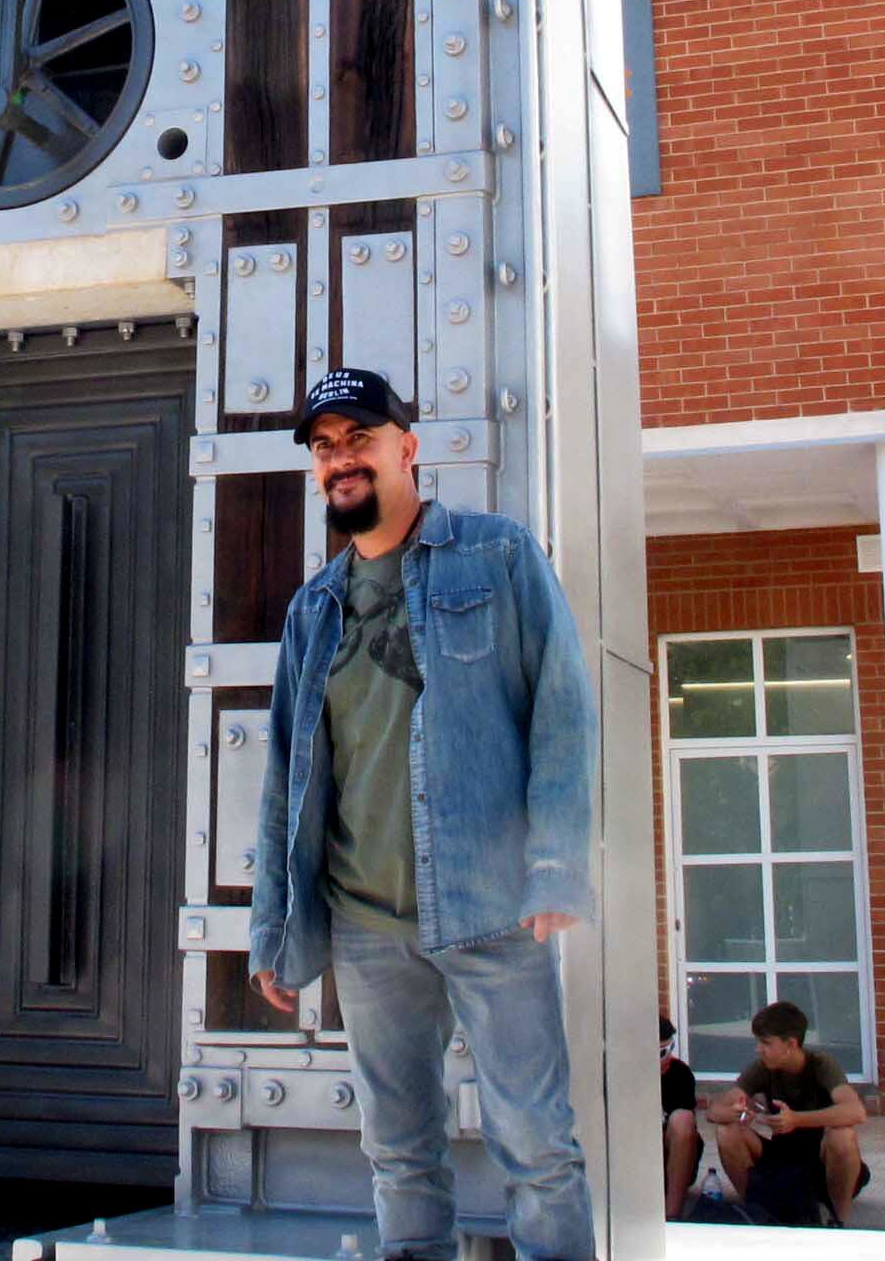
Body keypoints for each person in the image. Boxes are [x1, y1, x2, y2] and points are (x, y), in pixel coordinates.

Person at [249, 369, 598, 1261]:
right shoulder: (312, 609)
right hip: (366, 925)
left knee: (538, 1149)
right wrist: (275, 928)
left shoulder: (501, 556)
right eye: (325, 448)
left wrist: (555, 865)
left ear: (407, 447)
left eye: (358, 439)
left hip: (491, 908)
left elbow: (561, 713)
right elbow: (287, 776)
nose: (340, 461)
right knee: (399, 1154)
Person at [712, 1000, 870, 1227]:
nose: (759, 1049)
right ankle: (758, 1210)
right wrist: (735, 1113)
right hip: (782, 1158)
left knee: (842, 1136)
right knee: (727, 1132)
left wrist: (796, 1120)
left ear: (791, 1044)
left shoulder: (821, 1065)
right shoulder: (762, 1067)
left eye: (766, 1043)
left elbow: (856, 1112)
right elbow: (715, 1111)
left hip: (822, 1161)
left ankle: (839, 1221)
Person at [661, 1015, 706, 1221]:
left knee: (683, 1119)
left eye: (670, 1049)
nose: (667, 1057)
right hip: (628, 1161)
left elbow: (684, 1127)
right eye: (661, 1053)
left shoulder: (679, 1073)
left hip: (668, 1161)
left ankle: (673, 1215)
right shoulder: (617, 1073)